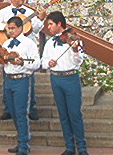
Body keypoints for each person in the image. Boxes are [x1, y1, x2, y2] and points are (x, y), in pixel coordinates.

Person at [0, 0, 45, 121]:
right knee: (7, 77)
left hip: (25, 47)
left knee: (29, 77)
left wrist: (41, 19)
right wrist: (7, 28)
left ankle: (31, 108)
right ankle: (8, 108)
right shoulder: (4, 12)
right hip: (9, 46)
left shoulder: (30, 12)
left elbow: (35, 28)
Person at [42, 11, 89, 155]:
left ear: (59, 24)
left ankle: (82, 148)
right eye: (48, 24)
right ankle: (69, 147)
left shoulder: (73, 40)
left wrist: (75, 49)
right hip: (56, 79)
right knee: (63, 114)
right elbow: (43, 62)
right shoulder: (50, 43)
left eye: (50, 24)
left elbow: (78, 62)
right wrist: (48, 63)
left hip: (70, 78)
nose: (48, 27)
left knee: (75, 114)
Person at [0, 16, 40, 155]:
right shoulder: (6, 44)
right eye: (8, 28)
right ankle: (21, 141)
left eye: (13, 28)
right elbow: (3, 63)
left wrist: (22, 63)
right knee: (12, 112)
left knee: (21, 112)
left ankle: (24, 146)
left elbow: (36, 63)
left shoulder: (29, 43)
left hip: (22, 80)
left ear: (20, 28)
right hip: (8, 80)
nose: (10, 31)